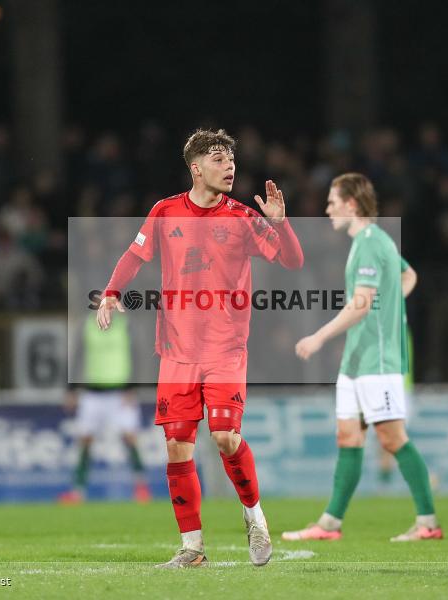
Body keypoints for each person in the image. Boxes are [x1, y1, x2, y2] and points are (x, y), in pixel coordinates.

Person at [96, 128, 304, 568]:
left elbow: (292, 260)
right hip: (176, 350)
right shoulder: (165, 211)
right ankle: (192, 548)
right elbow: (135, 255)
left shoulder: (243, 218)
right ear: (196, 168)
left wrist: (281, 226)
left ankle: (255, 517)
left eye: (231, 159)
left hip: (225, 348)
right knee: (177, 446)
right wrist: (112, 291)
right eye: (218, 159)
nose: (229, 166)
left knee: (225, 437)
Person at [289, 173, 443, 542]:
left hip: (377, 362)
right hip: (356, 362)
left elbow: (361, 305)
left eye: (332, 202)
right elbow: (409, 275)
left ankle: (427, 523)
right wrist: (390, 305)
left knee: (392, 438)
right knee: (348, 438)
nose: (327, 210)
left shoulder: (372, 242)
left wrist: (319, 336)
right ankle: (329, 525)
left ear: (352, 204)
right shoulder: (370, 241)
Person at [59, 311, 151, 504]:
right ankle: (78, 491)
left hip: (120, 393)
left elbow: (137, 356)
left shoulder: (126, 325)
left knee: (130, 437)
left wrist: (133, 387)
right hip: (92, 393)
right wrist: (71, 390)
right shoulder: (87, 325)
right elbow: (77, 357)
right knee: (85, 439)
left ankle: (141, 487)